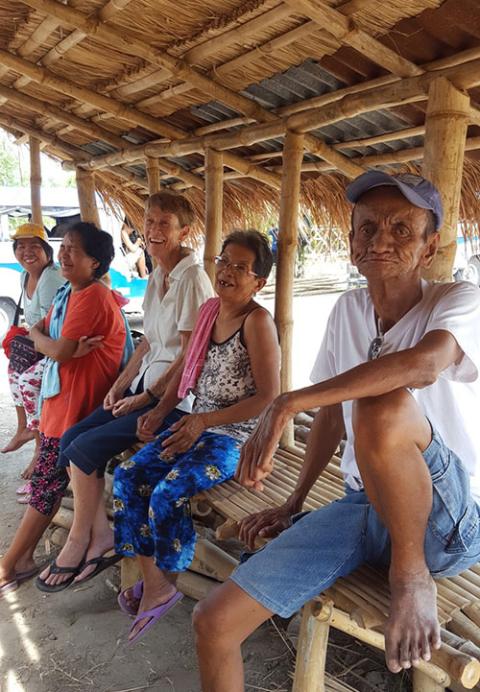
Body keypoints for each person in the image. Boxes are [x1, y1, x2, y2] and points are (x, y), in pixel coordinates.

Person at [193, 171, 480, 688]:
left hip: (444, 520)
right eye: (367, 228)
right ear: (350, 243)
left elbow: (423, 367)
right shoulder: (348, 308)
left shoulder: (457, 300)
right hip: (362, 506)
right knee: (213, 621)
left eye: (400, 228)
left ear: (429, 245)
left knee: (378, 405)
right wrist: (292, 502)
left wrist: (286, 401)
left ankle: (412, 579)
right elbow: (327, 416)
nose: (380, 240)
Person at [37, 191, 213, 591]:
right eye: (148, 222)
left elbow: (190, 355)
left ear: (184, 231)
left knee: (84, 450)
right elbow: (150, 342)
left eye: (163, 223)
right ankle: (99, 534)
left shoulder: (192, 279)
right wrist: (119, 384)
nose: (152, 230)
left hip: (176, 403)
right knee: (70, 440)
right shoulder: (156, 274)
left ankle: (84, 538)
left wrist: (148, 398)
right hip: (142, 387)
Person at [113, 230, 280, 644]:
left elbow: (268, 396)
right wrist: (159, 411)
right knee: (128, 475)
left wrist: (203, 423)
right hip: (197, 425)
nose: (226, 271)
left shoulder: (257, 321)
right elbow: (185, 368)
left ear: (258, 282)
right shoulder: (210, 310)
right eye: (223, 261)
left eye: (240, 267)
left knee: (167, 493)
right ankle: (157, 581)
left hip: (235, 437)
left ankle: (163, 580)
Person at [0, 221, 130, 597]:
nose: (65, 255)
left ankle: (15, 563)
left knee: (45, 485)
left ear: (96, 263)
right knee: (48, 482)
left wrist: (49, 343)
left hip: (78, 407)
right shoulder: (65, 295)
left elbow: (57, 349)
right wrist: (48, 341)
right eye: (65, 247)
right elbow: (34, 333)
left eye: (75, 250)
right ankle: (90, 537)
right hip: (61, 403)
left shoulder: (91, 297)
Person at [1, 223, 64, 477]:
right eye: (21, 246)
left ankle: (39, 446)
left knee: (28, 380)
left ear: (47, 251)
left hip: (53, 347)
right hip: (39, 344)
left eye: (34, 246)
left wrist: (32, 338)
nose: (27, 252)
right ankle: (23, 429)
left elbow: (54, 324)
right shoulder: (24, 275)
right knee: (14, 370)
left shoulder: (51, 277)